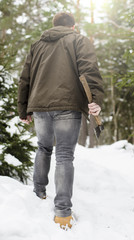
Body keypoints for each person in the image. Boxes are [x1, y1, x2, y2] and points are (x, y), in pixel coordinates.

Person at [18, 12, 104, 229]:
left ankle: (38, 194)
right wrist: (95, 100)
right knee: (64, 155)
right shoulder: (78, 40)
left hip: (39, 105)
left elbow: (25, 78)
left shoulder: (37, 44)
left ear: (53, 26)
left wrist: (23, 109)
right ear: (73, 27)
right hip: (67, 104)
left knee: (43, 148)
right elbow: (89, 69)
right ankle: (62, 213)